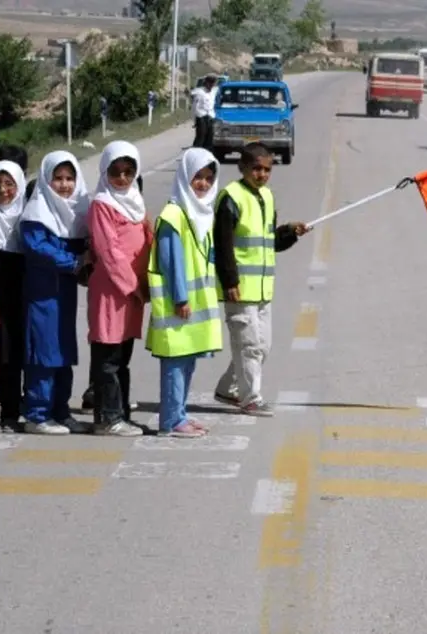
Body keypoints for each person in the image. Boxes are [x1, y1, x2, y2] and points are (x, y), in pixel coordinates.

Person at [212, 142, 310, 416]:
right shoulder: (230, 197)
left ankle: (227, 389)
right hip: (240, 290)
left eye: (267, 169)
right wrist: (230, 282)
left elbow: (269, 243)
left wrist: (290, 232)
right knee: (250, 346)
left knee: (262, 346)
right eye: (256, 168)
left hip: (263, 290)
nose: (262, 174)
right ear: (242, 167)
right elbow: (223, 245)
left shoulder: (266, 197)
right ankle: (250, 398)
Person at [145, 148, 222, 438]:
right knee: (175, 364)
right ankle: (169, 421)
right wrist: (180, 297)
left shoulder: (202, 212)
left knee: (187, 361)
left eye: (207, 178)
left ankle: (179, 414)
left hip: (196, 302)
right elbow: (171, 260)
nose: (202, 184)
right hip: (180, 303)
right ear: (184, 178)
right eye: (196, 178)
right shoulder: (173, 214)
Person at [20, 151, 93, 435]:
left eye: (69, 178)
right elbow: (40, 249)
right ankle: (38, 414)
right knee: (43, 353)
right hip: (42, 294)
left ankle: (60, 411)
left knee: (64, 352)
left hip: (64, 294)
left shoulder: (73, 212)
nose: (64, 185)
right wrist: (74, 262)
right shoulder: (37, 213)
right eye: (57, 179)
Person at [86, 141, 152, 437]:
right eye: (116, 172)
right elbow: (108, 251)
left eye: (129, 172)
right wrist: (133, 285)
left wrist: (148, 282)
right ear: (105, 172)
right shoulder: (102, 204)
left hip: (133, 293)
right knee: (108, 357)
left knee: (122, 357)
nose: (122, 179)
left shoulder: (135, 203)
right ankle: (107, 418)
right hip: (113, 291)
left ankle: (121, 413)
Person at [0, 160, 27, 432]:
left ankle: (11, 410)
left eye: (10, 184)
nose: (5, 190)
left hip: (18, 295)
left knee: (13, 354)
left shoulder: (26, 215)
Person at [191, 75, 216, 151]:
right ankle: (196, 154)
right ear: (206, 83)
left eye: (213, 83)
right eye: (210, 83)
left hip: (210, 117)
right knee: (200, 138)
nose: (211, 85)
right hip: (202, 118)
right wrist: (195, 120)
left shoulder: (213, 91)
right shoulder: (199, 92)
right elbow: (195, 107)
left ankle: (207, 155)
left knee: (210, 139)